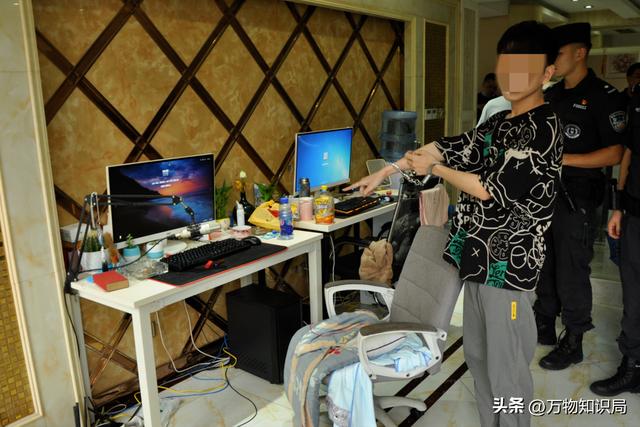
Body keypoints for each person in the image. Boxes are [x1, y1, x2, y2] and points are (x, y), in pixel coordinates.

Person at [347, 21, 562, 427]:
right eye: (507, 65)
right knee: (478, 358)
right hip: (476, 261)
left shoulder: (544, 128)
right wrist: (387, 171)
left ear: (547, 73)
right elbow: (447, 147)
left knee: (507, 367)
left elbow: (489, 189)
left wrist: (437, 169)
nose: (512, 76)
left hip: (509, 272)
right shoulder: (499, 122)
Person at [533, 22, 626, 371]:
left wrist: (563, 160)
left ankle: (573, 339)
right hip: (544, 194)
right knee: (543, 262)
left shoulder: (604, 96)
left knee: (572, 269)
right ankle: (544, 322)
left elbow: (615, 153)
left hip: (578, 198)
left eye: (557, 53)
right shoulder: (552, 94)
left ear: (580, 53)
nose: (552, 60)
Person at [589, 76, 640, 397]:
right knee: (633, 293)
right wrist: (618, 207)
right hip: (635, 213)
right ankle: (632, 366)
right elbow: (629, 153)